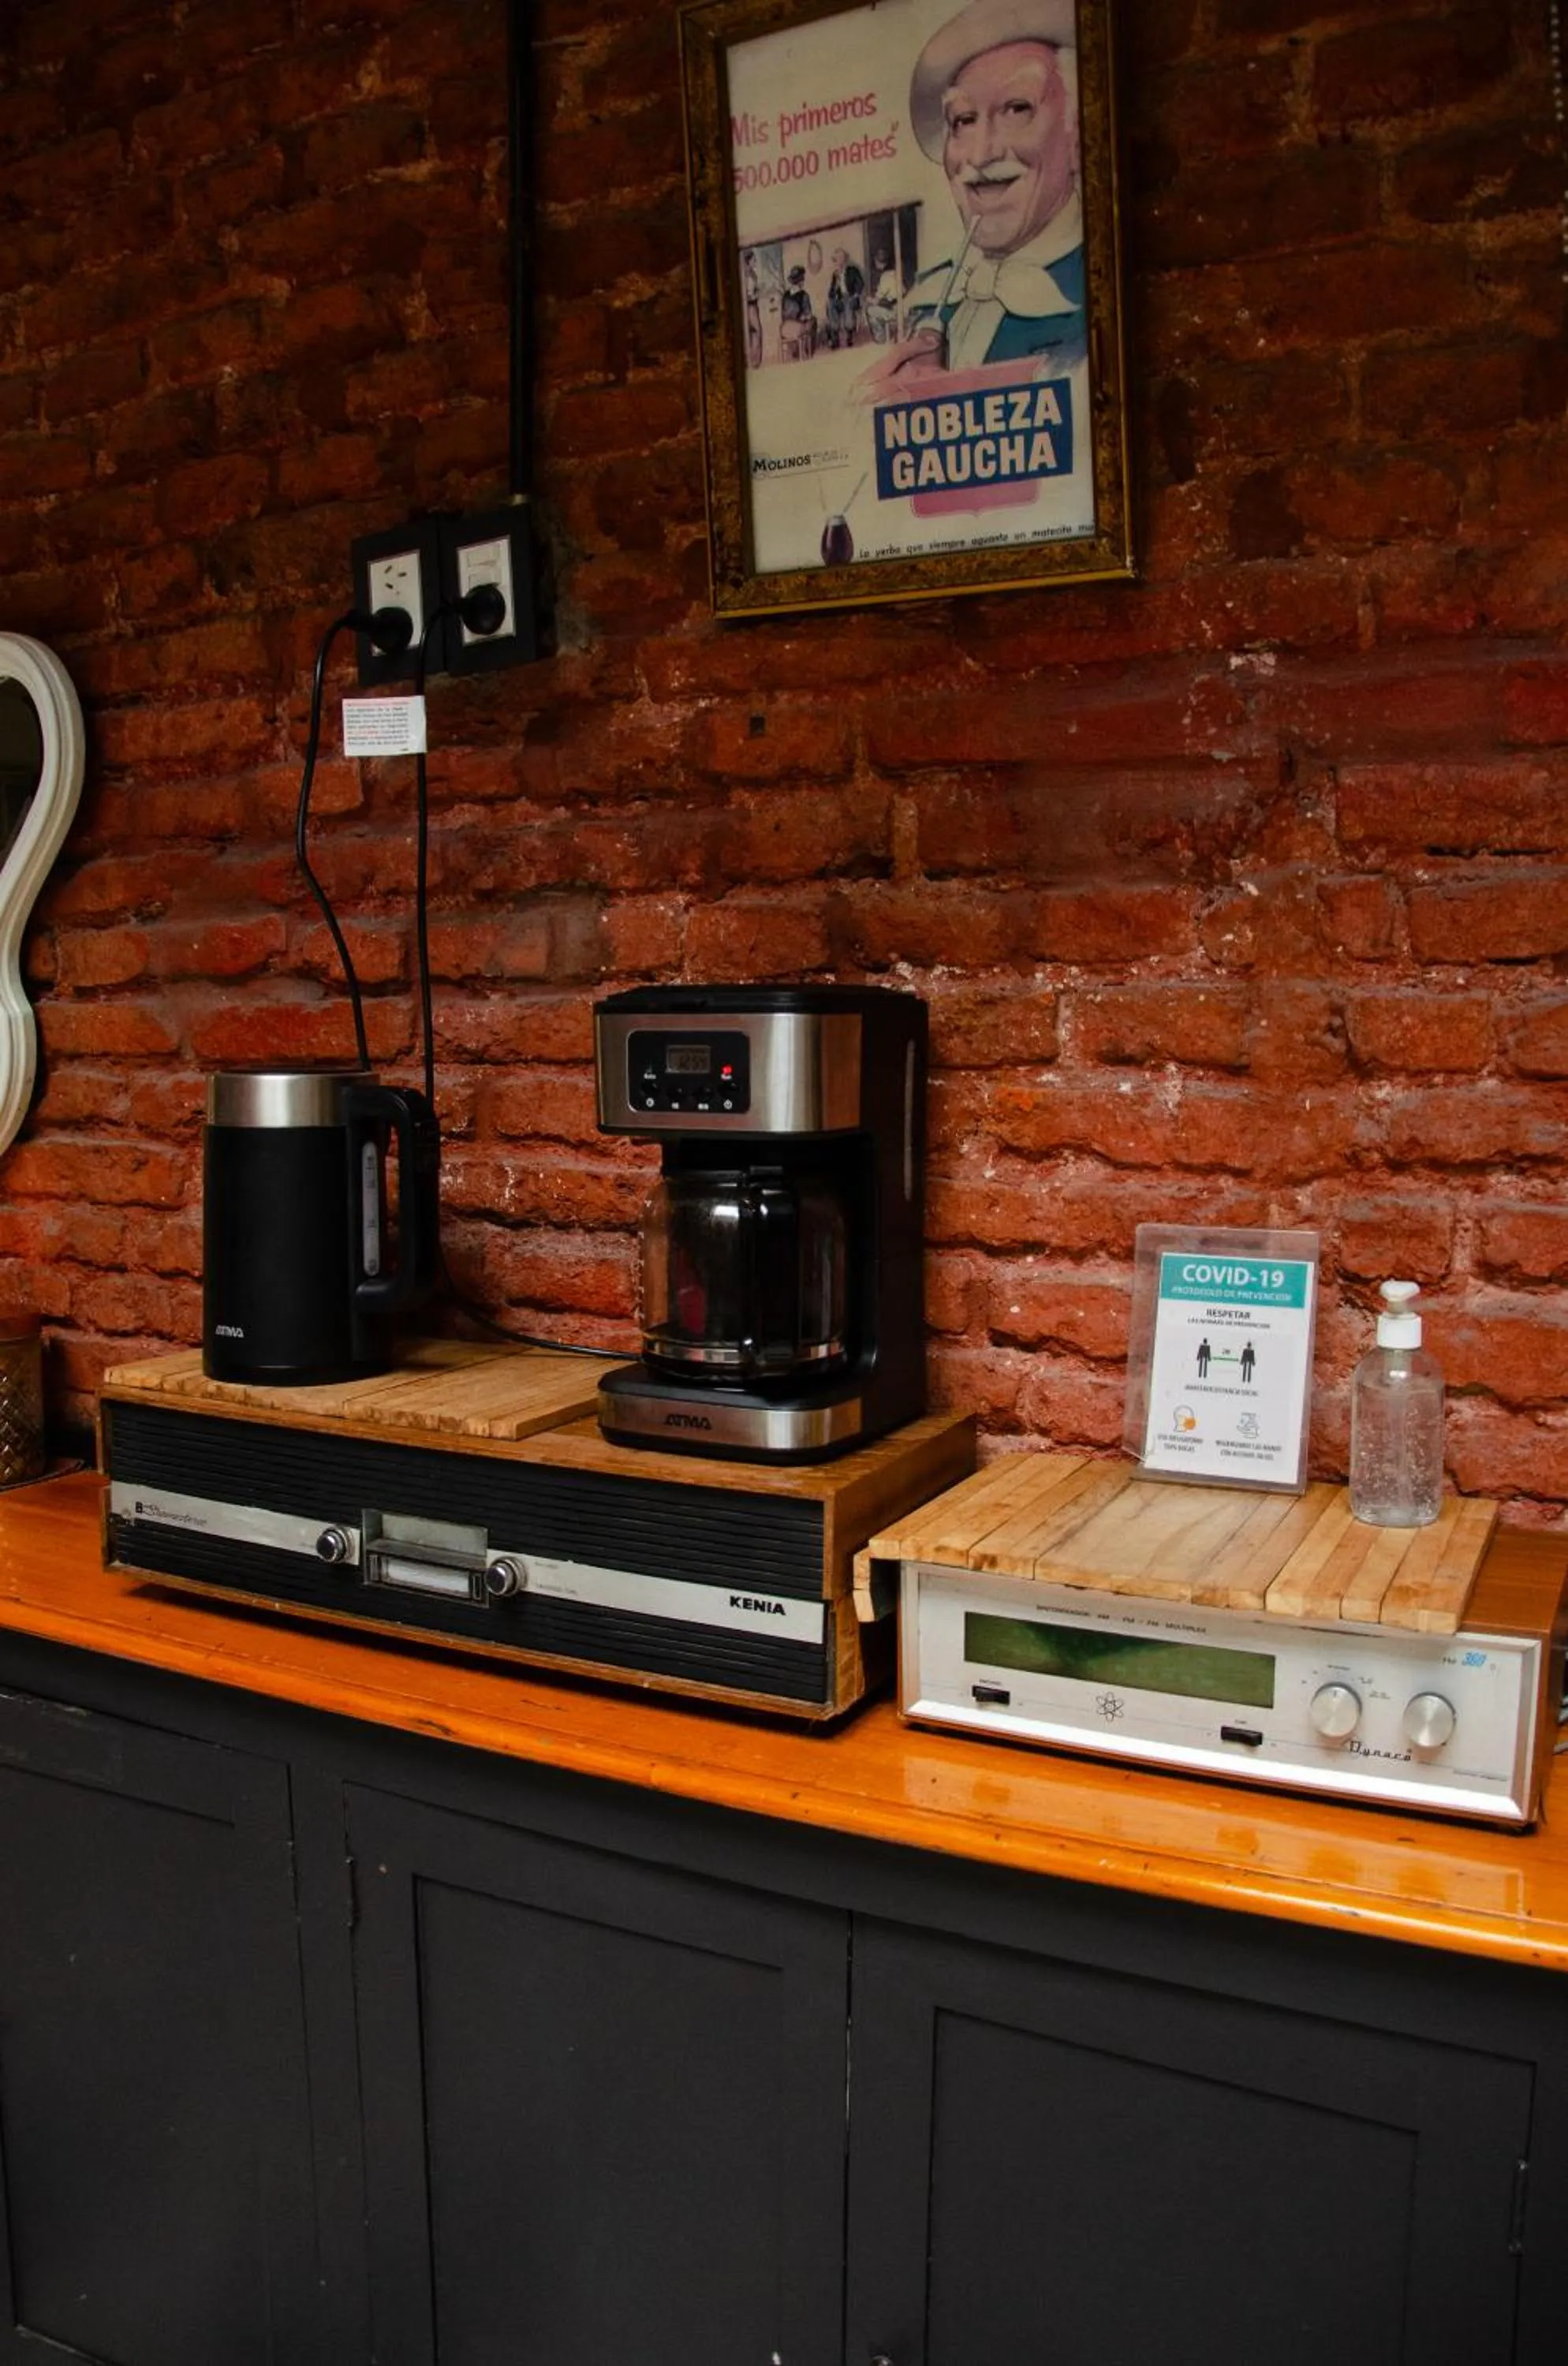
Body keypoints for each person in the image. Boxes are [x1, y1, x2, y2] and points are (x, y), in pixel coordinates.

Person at [900, 0, 1085, 373]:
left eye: (1017, 110)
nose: (981, 155)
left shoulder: (1093, 290)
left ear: (1078, 137)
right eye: (964, 121)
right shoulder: (925, 303)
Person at [824, 246, 865, 348]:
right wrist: (836, 286)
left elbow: (860, 283)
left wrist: (856, 294)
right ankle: (835, 335)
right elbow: (831, 293)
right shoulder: (835, 274)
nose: (839, 261)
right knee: (830, 304)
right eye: (837, 259)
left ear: (845, 259)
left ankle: (849, 334)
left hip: (852, 298)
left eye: (841, 258)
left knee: (848, 303)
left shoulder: (853, 270)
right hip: (840, 300)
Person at [780, 263, 816, 360]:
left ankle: (796, 352)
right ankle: (808, 352)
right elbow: (807, 314)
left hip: (784, 329)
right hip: (797, 329)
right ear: (801, 281)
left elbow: (783, 314)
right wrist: (805, 317)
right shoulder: (804, 295)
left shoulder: (785, 295)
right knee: (812, 321)